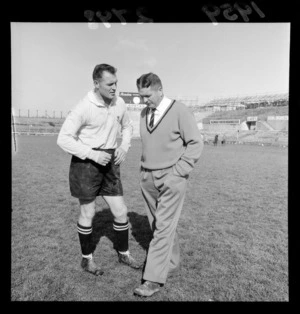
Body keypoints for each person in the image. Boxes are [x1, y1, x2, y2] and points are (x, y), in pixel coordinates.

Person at [57, 64, 141, 276]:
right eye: (110, 84)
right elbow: (63, 139)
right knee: (88, 211)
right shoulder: (83, 107)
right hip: (86, 164)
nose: (114, 88)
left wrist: (124, 146)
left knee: (121, 211)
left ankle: (124, 253)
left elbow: (128, 126)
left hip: (110, 163)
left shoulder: (119, 103)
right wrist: (93, 154)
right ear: (96, 83)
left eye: (116, 83)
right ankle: (87, 260)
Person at [133, 73, 203, 297]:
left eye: (148, 95)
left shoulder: (180, 111)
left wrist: (177, 174)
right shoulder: (144, 113)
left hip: (172, 178)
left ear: (160, 90)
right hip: (148, 179)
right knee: (158, 225)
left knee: (162, 228)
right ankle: (171, 262)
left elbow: (195, 143)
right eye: (141, 96)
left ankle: (152, 279)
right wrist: (144, 173)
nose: (145, 101)